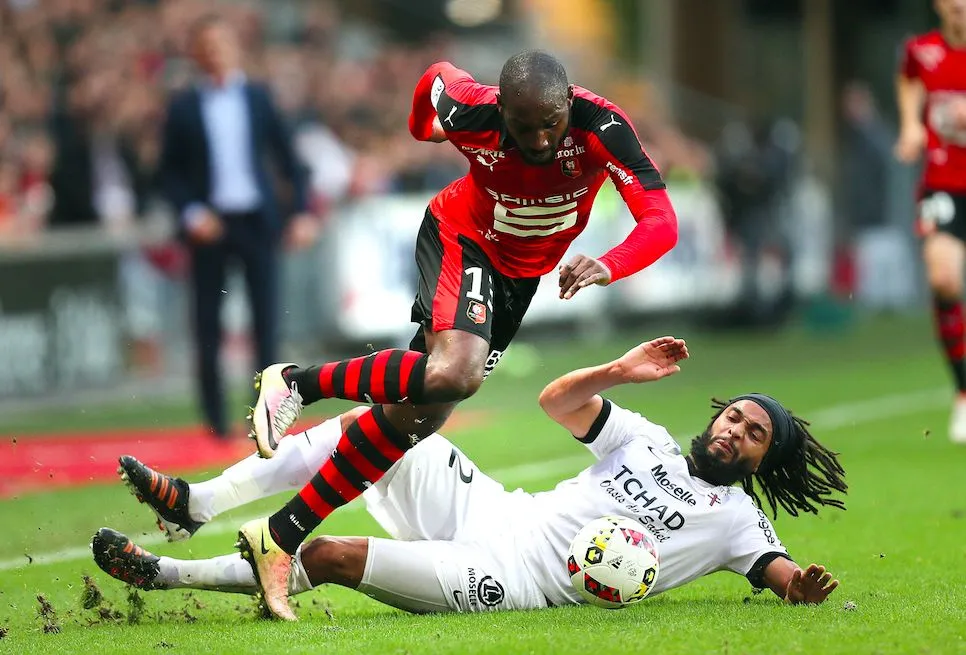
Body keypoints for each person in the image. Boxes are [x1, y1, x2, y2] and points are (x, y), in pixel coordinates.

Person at [236, 49, 679, 618]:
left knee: (413, 419)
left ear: (569, 103)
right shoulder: (473, 111)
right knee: (454, 374)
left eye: (550, 124)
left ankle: (279, 536)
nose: (540, 140)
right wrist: (423, 126)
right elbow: (437, 76)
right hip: (462, 238)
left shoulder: (603, 127)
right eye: (524, 128)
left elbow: (661, 221)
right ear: (502, 111)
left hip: (519, 279)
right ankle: (297, 383)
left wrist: (609, 264)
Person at [100, 336, 846, 619]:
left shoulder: (738, 521)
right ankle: (197, 501)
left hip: (508, 577)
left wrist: (798, 586)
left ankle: (164, 573)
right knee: (390, 427)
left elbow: (778, 570)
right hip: (492, 508)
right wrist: (618, 369)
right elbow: (559, 400)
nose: (735, 431)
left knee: (327, 556)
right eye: (736, 416)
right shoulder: (644, 441)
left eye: (754, 434)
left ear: (762, 460)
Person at [159, 14, 316, 439]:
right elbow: (168, 172)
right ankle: (214, 424)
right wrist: (191, 212)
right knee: (207, 326)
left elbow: (291, 160)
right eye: (206, 47)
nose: (214, 54)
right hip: (208, 226)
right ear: (196, 53)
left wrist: (301, 211)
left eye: (220, 45)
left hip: (256, 222)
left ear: (235, 48)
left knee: (266, 325)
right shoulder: (183, 105)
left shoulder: (259, 98)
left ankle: (266, 417)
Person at [895, 0, 966, 443]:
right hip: (942, 184)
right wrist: (910, 126)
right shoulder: (922, 50)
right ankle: (963, 392)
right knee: (943, 280)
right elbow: (908, 81)